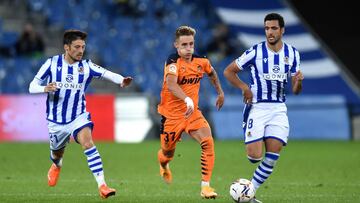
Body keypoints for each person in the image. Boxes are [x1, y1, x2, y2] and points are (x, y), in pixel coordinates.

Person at [28, 30, 133, 199]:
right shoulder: (51, 63)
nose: (81, 50)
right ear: (66, 48)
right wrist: (44, 88)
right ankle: (56, 165)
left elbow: (106, 73)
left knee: (88, 143)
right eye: (77, 47)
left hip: (78, 116)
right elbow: (32, 86)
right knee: (56, 153)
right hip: (56, 121)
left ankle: (103, 186)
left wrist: (121, 80)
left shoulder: (87, 66)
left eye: (83, 47)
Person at [223, 13, 304, 203]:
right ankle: (247, 192)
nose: (270, 32)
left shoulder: (292, 53)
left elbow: (296, 90)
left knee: (272, 156)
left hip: (278, 109)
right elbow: (228, 71)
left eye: (274, 28)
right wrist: (244, 88)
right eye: (267, 28)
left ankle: (248, 195)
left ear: (282, 30)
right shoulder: (256, 52)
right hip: (257, 107)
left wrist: (299, 82)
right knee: (254, 156)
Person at [157, 25, 225, 199]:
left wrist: (220, 92)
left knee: (208, 141)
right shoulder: (173, 62)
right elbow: (171, 84)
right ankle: (164, 166)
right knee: (167, 153)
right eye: (184, 45)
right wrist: (186, 99)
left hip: (193, 114)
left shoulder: (201, 61)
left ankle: (205, 187)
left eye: (191, 44)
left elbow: (212, 73)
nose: (188, 49)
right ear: (176, 45)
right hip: (171, 116)